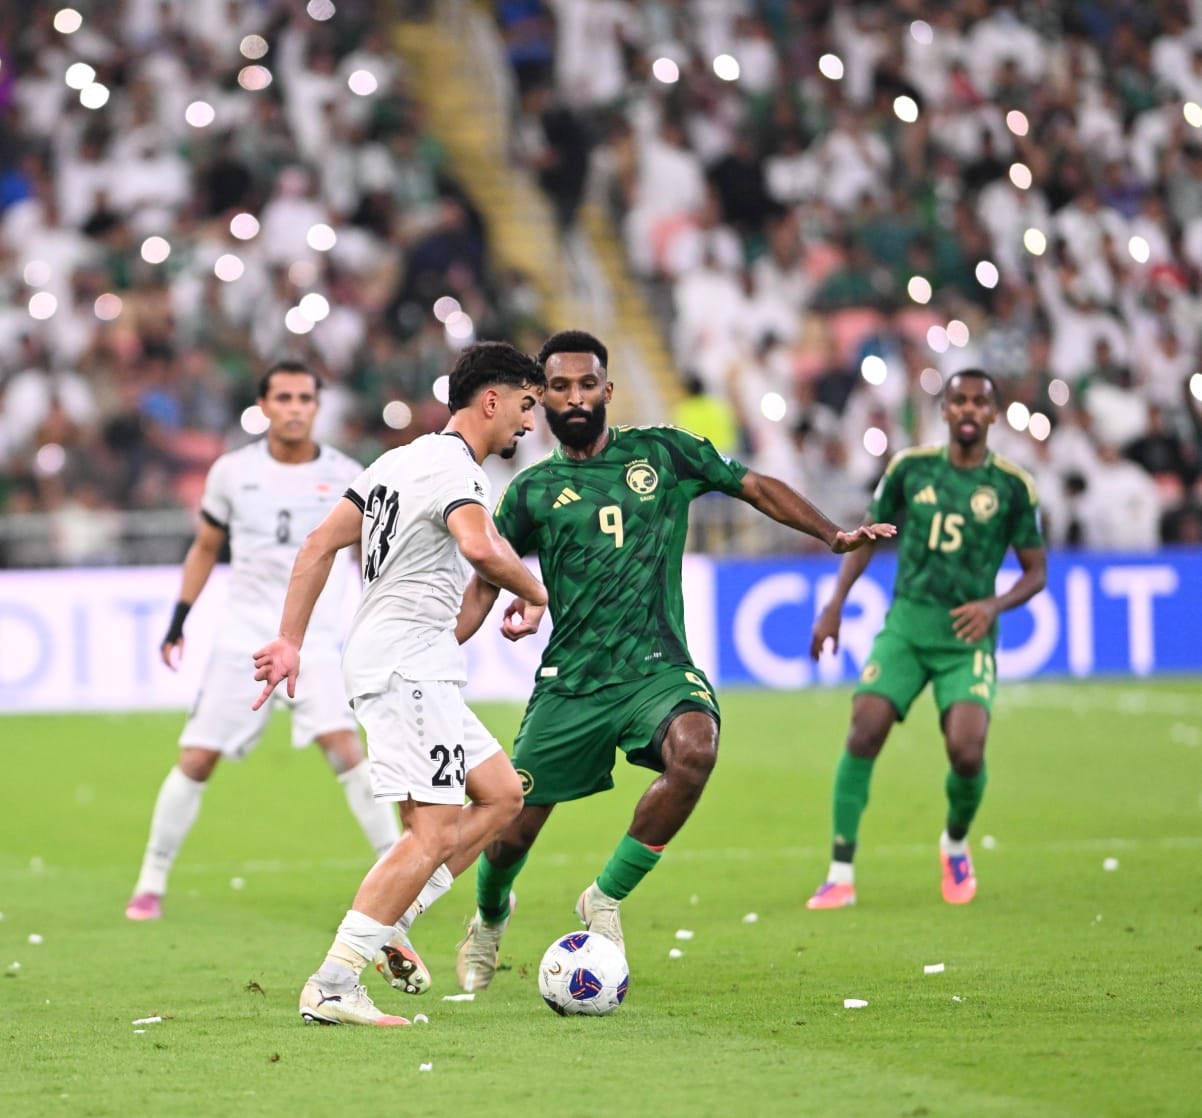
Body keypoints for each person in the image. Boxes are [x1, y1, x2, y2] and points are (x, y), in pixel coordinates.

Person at [386, 329, 893, 995]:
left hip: (656, 668)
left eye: (585, 384)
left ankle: (605, 897)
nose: (573, 398)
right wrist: (442, 644)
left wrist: (830, 533)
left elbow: (752, 485)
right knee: (509, 832)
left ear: (607, 390)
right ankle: (489, 916)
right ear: (542, 398)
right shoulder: (533, 490)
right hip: (572, 682)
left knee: (696, 748)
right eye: (558, 388)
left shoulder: (663, 452)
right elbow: (486, 579)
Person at [251, 341, 549, 1027]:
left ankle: (393, 921)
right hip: (407, 665)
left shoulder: (396, 462)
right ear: (492, 400)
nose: (530, 423)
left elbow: (319, 544)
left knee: (502, 793)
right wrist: (535, 591)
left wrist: (290, 640)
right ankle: (334, 981)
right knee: (433, 831)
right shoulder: (456, 470)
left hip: (409, 657)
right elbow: (478, 545)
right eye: (527, 405)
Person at [125, 360, 398, 922]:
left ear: (317, 407)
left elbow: (366, 559)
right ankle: (151, 881)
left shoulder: (349, 474)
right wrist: (179, 619)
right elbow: (206, 547)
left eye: (304, 398)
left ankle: (400, 872)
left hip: (315, 640)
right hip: (244, 639)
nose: (294, 408)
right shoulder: (231, 472)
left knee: (346, 749)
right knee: (198, 757)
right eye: (284, 398)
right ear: (264, 405)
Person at [806, 368, 1047, 909]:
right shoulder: (910, 469)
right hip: (908, 627)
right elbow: (867, 537)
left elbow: (1037, 572)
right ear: (944, 410)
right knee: (864, 730)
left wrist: (993, 605)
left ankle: (955, 844)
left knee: (967, 752)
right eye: (958, 400)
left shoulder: (1013, 486)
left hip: (967, 634)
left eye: (979, 402)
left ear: (993, 413)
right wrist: (835, 604)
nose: (968, 409)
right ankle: (840, 873)